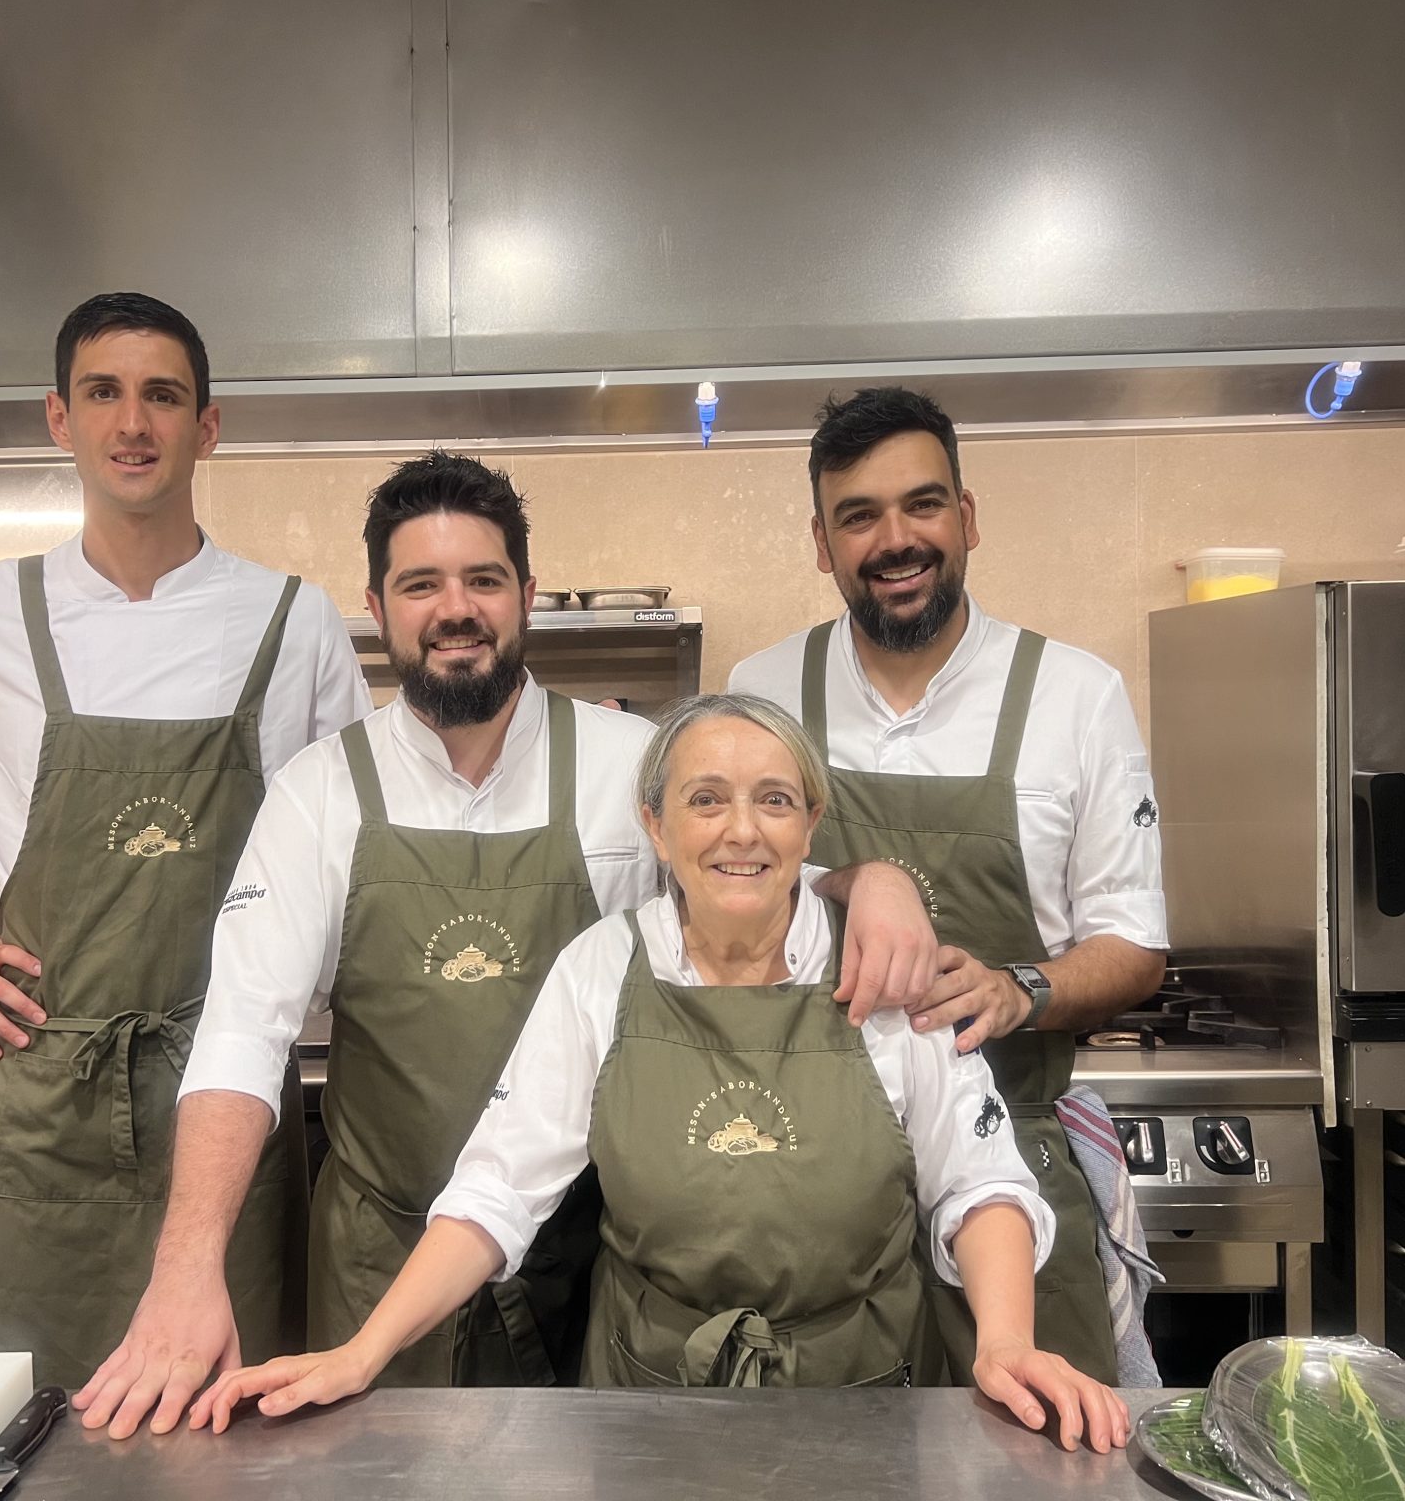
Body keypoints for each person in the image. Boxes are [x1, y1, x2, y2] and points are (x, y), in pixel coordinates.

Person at [76, 453, 944, 1437]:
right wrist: (187, 1274)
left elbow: (749, 882)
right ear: (377, 606)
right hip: (382, 1258)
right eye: (420, 585)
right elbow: (240, 1033)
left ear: (524, 595)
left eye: (482, 580)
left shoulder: (626, 766)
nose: (456, 609)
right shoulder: (318, 791)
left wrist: (868, 882)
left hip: (579, 1259)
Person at [195, 694, 1129, 1453]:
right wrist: (362, 1353)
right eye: (706, 798)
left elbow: (981, 1183)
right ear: (655, 823)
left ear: (812, 823)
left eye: (773, 799)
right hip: (640, 1401)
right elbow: (496, 1190)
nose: (741, 831)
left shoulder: (880, 973)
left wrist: (1006, 1343)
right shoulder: (603, 970)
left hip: (861, 1401)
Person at [0, 292, 371, 1390]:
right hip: (49, 1084)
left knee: (234, 1426)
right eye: (104, 394)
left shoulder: (287, 621)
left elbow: (353, 840)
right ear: (58, 419)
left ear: (207, 428)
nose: (133, 423)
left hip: (228, 1089)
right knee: (41, 1421)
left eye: (162, 396)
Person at [727, 386, 1169, 1385]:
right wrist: (861, 878)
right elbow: (712, 893)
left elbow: (1132, 942)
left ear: (965, 518)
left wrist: (1024, 990)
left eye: (921, 505)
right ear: (820, 542)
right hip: (808, 1181)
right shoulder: (761, 691)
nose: (894, 539)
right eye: (858, 516)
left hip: (1014, 1164)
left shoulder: (1075, 696)